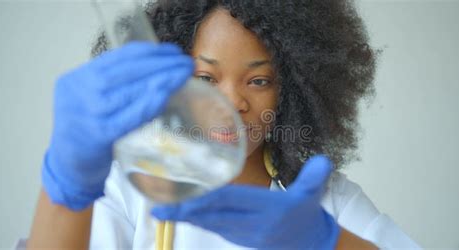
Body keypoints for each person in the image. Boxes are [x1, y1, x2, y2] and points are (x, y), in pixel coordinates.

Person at [25, 0, 420, 249]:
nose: (231, 103)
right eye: (205, 79)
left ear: (295, 92)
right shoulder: (128, 192)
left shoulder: (329, 205)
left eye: (259, 80)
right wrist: (65, 191)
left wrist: (330, 243)